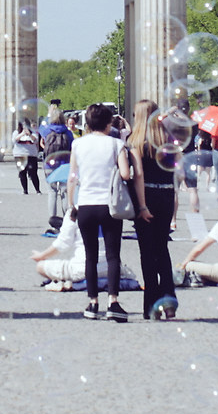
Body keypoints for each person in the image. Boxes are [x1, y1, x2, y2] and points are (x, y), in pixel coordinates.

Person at [66, 102, 136, 322]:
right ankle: (113, 302)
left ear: (86, 123)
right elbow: (125, 175)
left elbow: (72, 177)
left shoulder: (78, 144)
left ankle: (92, 303)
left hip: (86, 204)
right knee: (113, 255)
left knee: (90, 256)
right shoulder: (116, 143)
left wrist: (71, 204)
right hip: (109, 205)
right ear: (108, 124)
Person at [128, 102, 178, 320]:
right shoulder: (168, 140)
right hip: (166, 195)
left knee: (147, 254)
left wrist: (142, 206)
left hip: (146, 196)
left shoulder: (135, 141)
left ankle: (152, 305)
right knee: (162, 250)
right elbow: (177, 173)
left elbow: (138, 175)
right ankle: (169, 302)